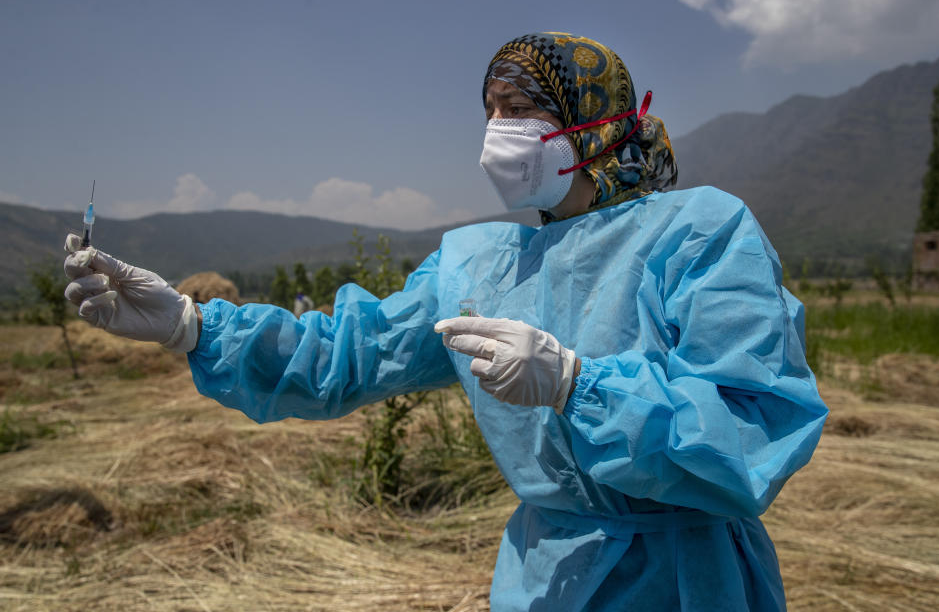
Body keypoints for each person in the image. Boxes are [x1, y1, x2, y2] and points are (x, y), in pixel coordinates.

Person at [63, 32, 827, 611]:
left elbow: (750, 432)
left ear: (592, 121)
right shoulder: (479, 266)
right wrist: (193, 326)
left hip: (689, 577)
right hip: (543, 580)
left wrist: (578, 385)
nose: (499, 131)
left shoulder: (700, 232)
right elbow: (349, 355)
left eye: (523, 110)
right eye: (491, 112)